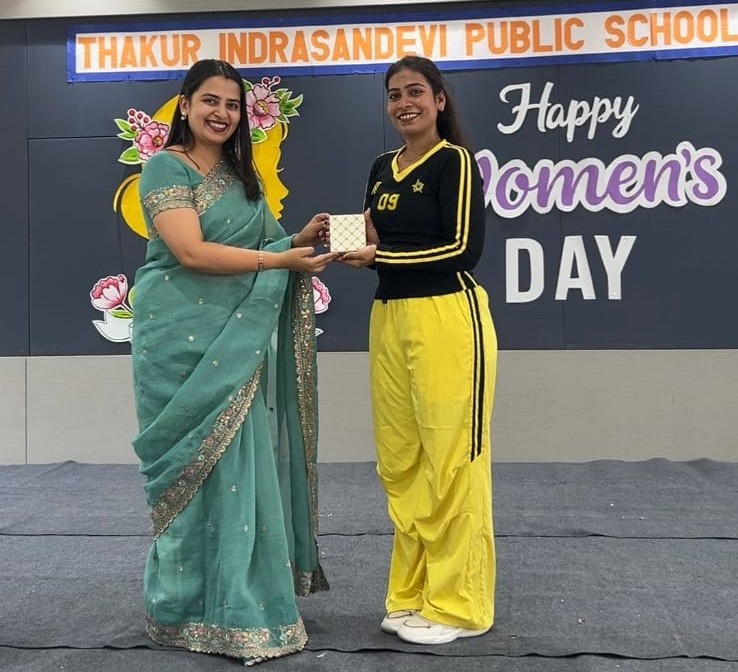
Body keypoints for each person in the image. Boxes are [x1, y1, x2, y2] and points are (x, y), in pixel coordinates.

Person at [130, 59, 338, 666]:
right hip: (178, 339)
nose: (221, 114)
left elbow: (264, 246)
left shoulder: (243, 176)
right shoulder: (165, 167)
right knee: (190, 470)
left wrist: (301, 238)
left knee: (240, 464)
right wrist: (281, 261)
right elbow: (191, 252)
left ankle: (241, 604)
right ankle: (182, 607)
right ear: (185, 105)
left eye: (231, 105)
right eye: (210, 101)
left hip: (233, 339)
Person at [339, 55, 498, 645]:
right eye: (394, 94)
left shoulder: (456, 161)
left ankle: (458, 606)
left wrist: (378, 255)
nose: (404, 103)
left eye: (415, 92)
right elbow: (377, 238)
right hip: (389, 317)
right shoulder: (381, 167)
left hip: (448, 317)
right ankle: (411, 594)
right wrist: (350, 241)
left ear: (439, 100)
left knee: (452, 461)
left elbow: (462, 250)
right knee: (401, 460)